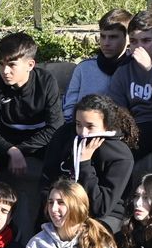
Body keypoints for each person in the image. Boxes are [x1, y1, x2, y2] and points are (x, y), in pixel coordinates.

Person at [0, 31, 63, 235]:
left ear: (30, 65)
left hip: (40, 149)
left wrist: (21, 150)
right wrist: (11, 151)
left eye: (11, 65)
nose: (5, 71)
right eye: (1, 64)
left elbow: (55, 127)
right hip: (4, 150)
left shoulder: (45, 82)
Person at [42, 92, 137, 234]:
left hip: (103, 216)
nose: (83, 132)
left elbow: (101, 207)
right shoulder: (65, 135)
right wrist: (54, 205)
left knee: (88, 237)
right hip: (64, 206)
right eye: (78, 124)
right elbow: (47, 178)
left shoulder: (121, 156)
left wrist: (84, 163)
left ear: (107, 125)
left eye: (90, 126)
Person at [107, 9, 152, 181]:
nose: (139, 47)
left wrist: (150, 69)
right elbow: (118, 107)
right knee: (118, 157)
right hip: (139, 125)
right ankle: (120, 206)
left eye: (146, 40)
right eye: (133, 41)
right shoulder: (124, 70)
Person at [64, 9, 132, 122]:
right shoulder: (83, 68)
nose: (106, 43)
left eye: (113, 37)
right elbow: (69, 107)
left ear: (128, 38)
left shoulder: (135, 68)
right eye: (102, 36)